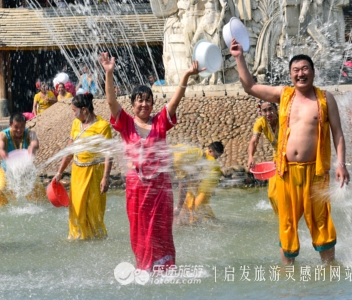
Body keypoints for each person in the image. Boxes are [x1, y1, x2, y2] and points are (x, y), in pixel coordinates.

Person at [231, 41, 349, 264]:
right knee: (287, 222)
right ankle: (287, 273)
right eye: (296, 70)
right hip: (286, 173)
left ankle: (329, 270)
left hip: (316, 173)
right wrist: (239, 57)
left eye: (305, 69)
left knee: (321, 221)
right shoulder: (283, 95)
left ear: (313, 72)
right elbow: (250, 87)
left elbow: (338, 133)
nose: (300, 74)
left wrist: (341, 164)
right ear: (290, 74)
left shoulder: (325, 99)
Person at [102, 52, 199, 272]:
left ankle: (165, 267)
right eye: (140, 100)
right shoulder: (125, 123)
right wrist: (109, 73)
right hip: (137, 188)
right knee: (139, 230)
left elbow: (176, 101)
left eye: (148, 100)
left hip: (160, 188)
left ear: (153, 103)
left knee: (161, 230)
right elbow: (110, 101)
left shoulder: (160, 122)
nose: (144, 104)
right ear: (133, 104)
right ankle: (144, 268)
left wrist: (185, 76)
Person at [52, 92, 113, 240]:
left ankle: (96, 239)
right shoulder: (76, 124)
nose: (73, 114)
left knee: (94, 209)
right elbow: (70, 150)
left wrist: (105, 178)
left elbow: (108, 154)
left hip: (95, 173)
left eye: (74, 110)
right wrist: (59, 172)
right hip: (78, 172)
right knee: (76, 208)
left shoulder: (102, 126)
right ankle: (77, 238)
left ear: (84, 109)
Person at [0, 113, 42, 207]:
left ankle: (41, 208)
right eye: (16, 127)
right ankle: (2, 212)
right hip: (7, 169)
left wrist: (32, 147)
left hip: (26, 169)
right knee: (1, 190)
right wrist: (2, 152)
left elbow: (35, 142)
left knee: (38, 189)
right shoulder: (3, 135)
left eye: (22, 126)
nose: (19, 130)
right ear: (10, 125)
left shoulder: (30, 133)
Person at [247, 100, 281, 214]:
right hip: (277, 160)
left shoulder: (285, 118)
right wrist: (251, 156)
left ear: (276, 109)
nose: (268, 113)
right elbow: (254, 140)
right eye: (264, 110)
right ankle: (280, 216)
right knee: (272, 195)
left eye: (270, 109)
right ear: (261, 112)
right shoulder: (261, 122)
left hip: (293, 158)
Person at [179, 142, 224, 224]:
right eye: (216, 156)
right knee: (195, 205)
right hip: (198, 183)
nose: (216, 158)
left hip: (201, 184)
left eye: (218, 156)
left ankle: (196, 223)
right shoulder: (203, 158)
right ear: (210, 151)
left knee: (196, 206)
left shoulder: (210, 161)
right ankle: (210, 223)